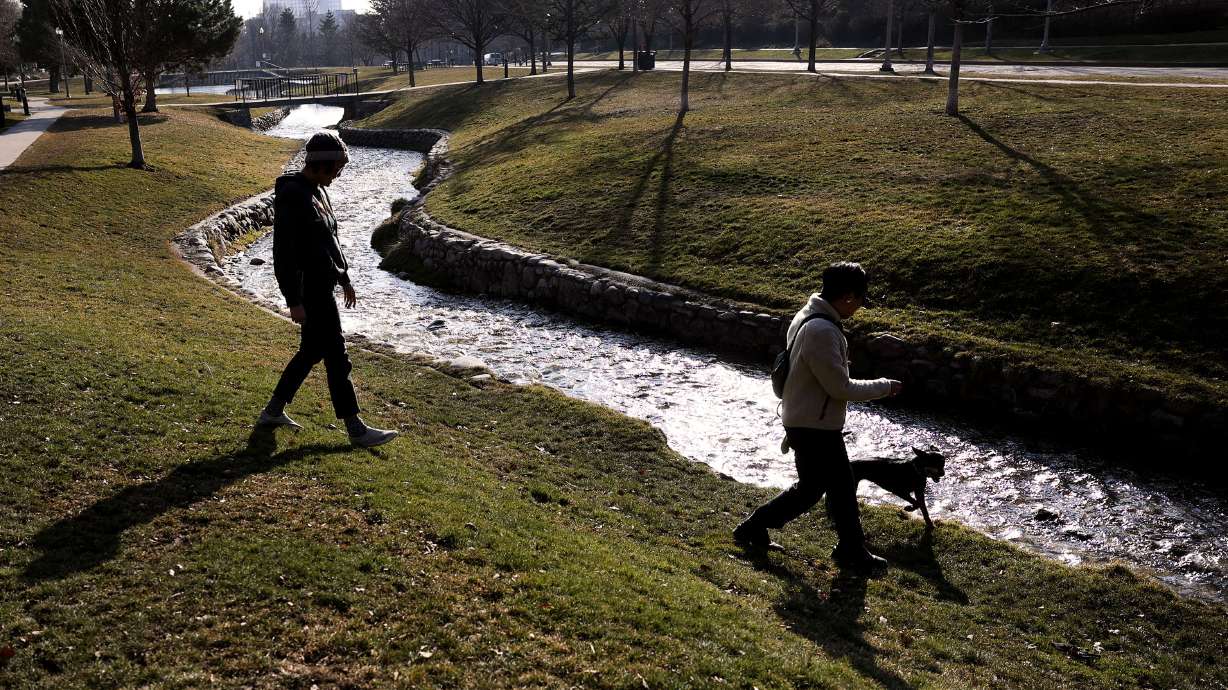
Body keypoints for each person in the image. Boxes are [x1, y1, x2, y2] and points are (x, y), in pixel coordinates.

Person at [734, 262, 902, 571]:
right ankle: (848, 547)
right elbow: (840, 387)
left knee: (824, 486)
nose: (860, 307)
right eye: (861, 300)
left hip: (805, 418)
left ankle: (846, 545)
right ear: (848, 297)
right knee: (828, 486)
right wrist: (884, 386)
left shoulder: (808, 315)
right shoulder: (823, 330)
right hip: (814, 425)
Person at [256, 131, 399, 448]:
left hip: (325, 285)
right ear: (322, 164)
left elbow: (330, 239)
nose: (340, 173)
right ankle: (356, 429)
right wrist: (293, 300)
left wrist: (345, 277)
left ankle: (272, 411)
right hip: (311, 291)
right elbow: (284, 253)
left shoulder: (319, 191)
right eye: (338, 167)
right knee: (336, 353)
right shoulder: (294, 194)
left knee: (311, 351)